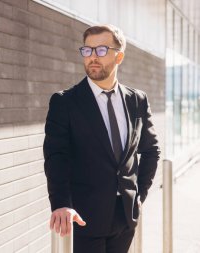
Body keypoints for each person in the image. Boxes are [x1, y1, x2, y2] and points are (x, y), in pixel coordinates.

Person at [43, 24, 160, 253]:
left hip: (124, 218)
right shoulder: (64, 102)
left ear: (119, 56)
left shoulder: (137, 100)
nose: (92, 57)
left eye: (101, 50)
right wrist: (61, 204)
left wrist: (138, 196)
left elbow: (151, 151)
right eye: (87, 50)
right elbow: (56, 158)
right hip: (83, 219)